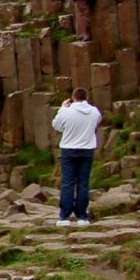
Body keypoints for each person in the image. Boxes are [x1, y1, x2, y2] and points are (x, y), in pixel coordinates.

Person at [52, 88, 102, 226]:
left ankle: (64, 218)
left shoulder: (67, 112)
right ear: (87, 97)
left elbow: (56, 126)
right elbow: (96, 123)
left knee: (68, 183)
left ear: (73, 98)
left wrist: (62, 109)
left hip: (69, 150)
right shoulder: (94, 111)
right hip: (87, 150)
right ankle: (82, 217)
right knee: (83, 184)